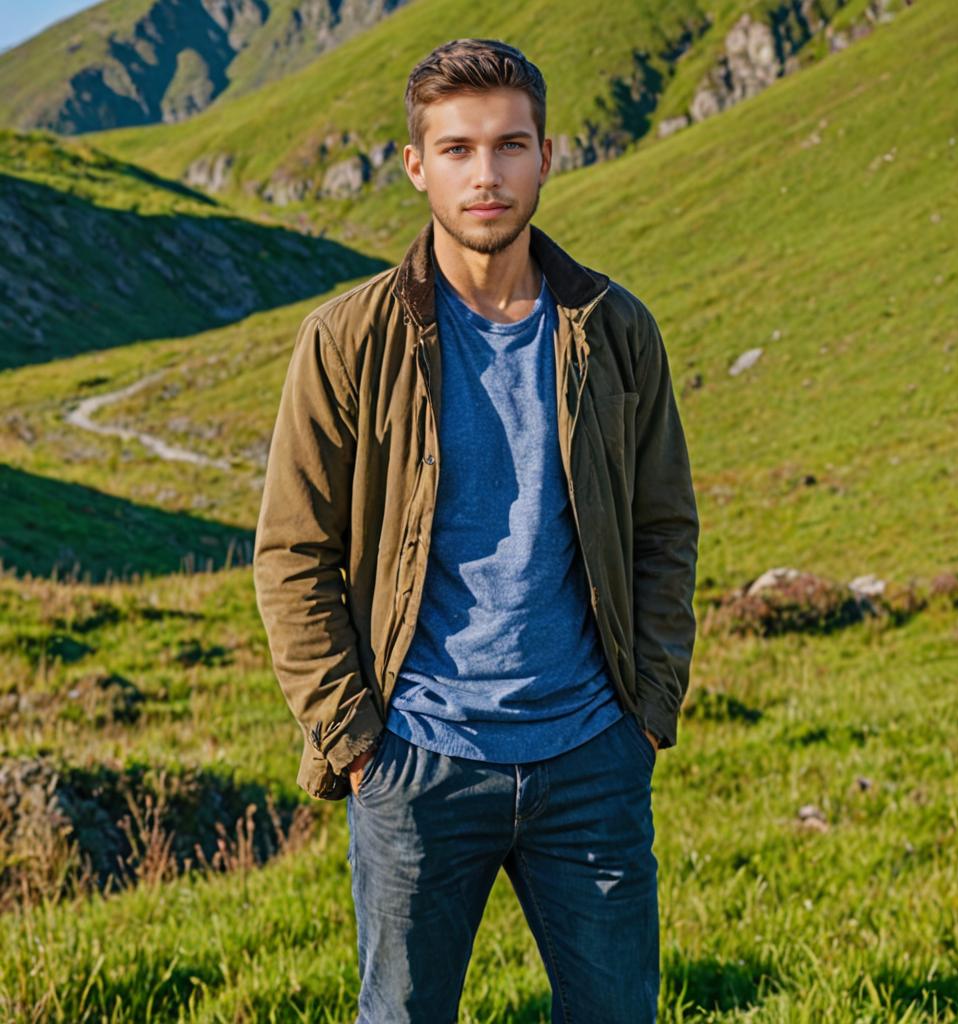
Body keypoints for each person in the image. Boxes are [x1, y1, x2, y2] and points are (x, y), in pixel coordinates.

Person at [253, 36, 700, 1024]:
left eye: (508, 145)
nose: (485, 174)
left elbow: (664, 528)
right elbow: (292, 553)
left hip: (591, 753)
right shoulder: (348, 338)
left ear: (548, 156)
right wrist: (355, 737)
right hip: (416, 759)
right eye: (456, 149)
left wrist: (648, 714)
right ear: (416, 166)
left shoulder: (616, 329)